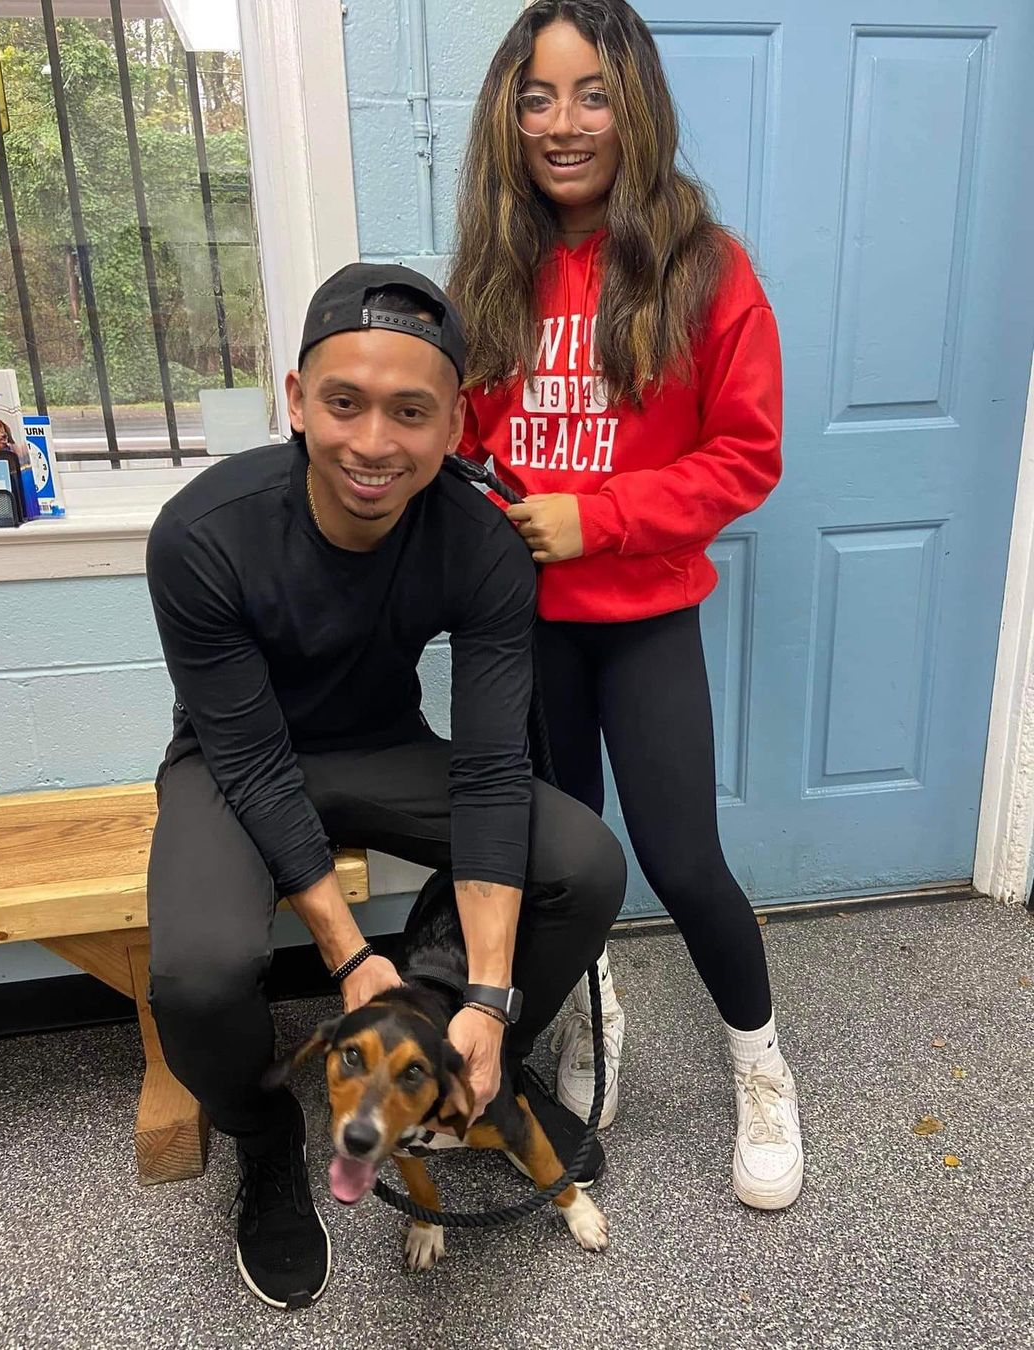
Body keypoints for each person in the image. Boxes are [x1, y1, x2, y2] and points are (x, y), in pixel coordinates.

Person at [144, 263, 625, 1311]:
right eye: (344, 403)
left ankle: (474, 1064)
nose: (373, 442)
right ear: (295, 401)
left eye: (410, 411)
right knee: (197, 973)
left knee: (583, 861)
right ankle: (266, 1141)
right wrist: (353, 957)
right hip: (233, 761)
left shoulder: (482, 543)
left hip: (380, 749)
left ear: (453, 423)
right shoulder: (202, 534)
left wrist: (487, 997)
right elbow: (255, 763)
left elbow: (492, 767)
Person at [448, 0, 802, 1210]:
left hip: (644, 616)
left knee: (683, 860)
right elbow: (468, 441)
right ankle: (594, 1006)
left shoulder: (707, 266)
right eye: (537, 98)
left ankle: (761, 1063)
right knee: (564, 858)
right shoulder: (492, 270)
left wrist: (596, 519)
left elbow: (746, 456)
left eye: (592, 94)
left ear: (634, 106)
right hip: (525, 626)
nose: (564, 123)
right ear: (509, 116)